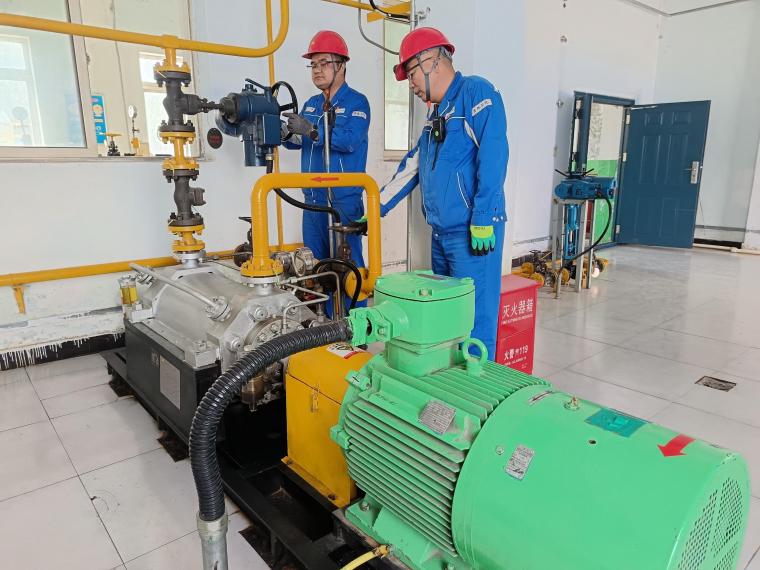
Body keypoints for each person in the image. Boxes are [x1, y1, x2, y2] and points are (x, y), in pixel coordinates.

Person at [378, 27, 509, 360]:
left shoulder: (476, 93)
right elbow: (414, 165)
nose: (411, 84)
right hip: (442, 234)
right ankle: (449, 383)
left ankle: (478, 385)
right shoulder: (436, 113)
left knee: (475, 323)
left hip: (473, 234)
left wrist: (483, 217)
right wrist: (375, 206)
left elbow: (493, 155)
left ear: (431, 61)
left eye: (411, 74)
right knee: (446, 320)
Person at [282, 30, 370, 312]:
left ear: (341, 65)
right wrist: (284, 132)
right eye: (313, 64)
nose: (317, 70)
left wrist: (311, 129)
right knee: (318, 270)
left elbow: (349, 139)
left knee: (349, 269)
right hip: (312, 201)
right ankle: (327, 328)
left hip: (342, 201)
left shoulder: (357, 102)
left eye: (324, 63)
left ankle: (357, 328)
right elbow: (298, 142)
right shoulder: (311, 104)